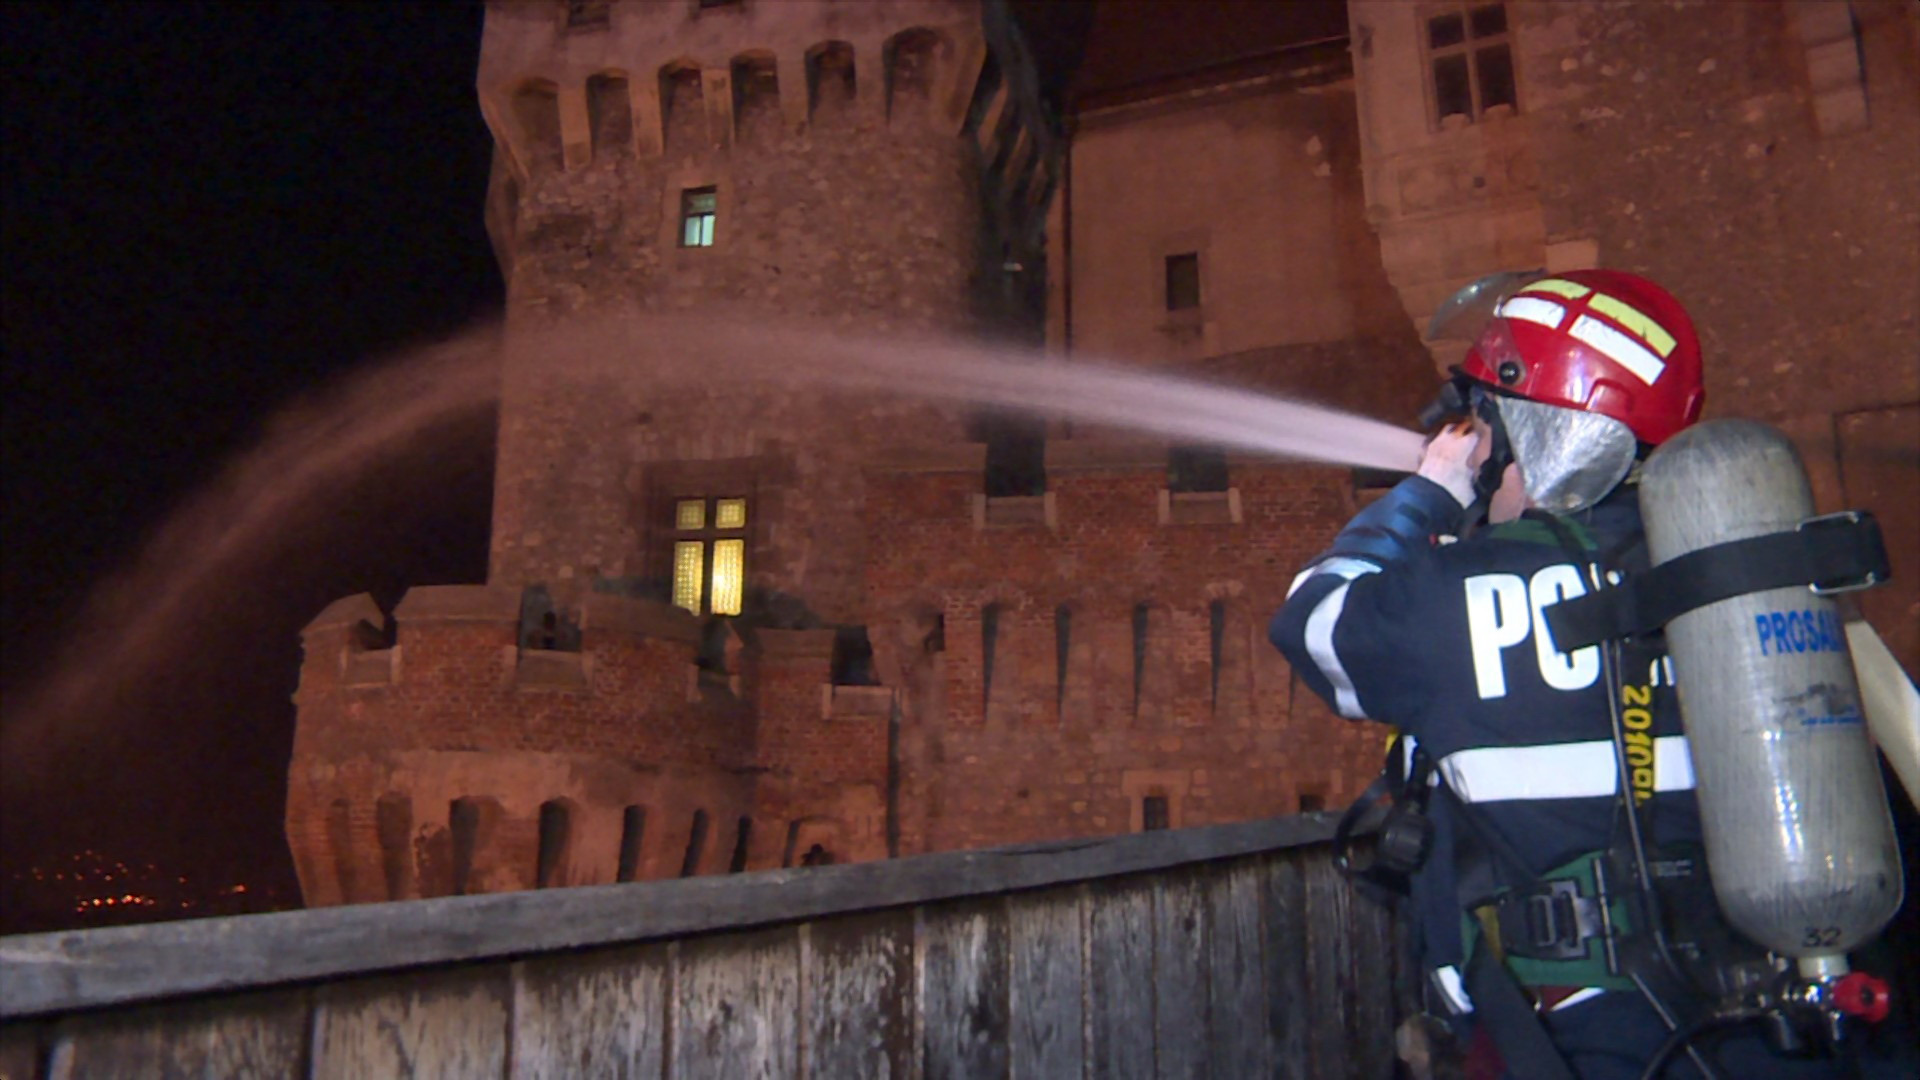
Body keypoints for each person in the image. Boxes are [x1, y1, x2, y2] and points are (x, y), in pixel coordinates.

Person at [1270, 270, 1899, 1079]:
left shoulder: (1455, 597)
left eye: (1485, 424)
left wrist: (1428, 493)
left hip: (1592, 1040)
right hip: (1792, 1014)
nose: (1478, 448)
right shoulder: (1737, 579)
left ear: (1529, 431)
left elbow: (1312, 620)